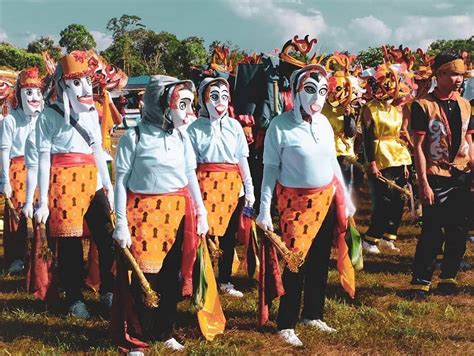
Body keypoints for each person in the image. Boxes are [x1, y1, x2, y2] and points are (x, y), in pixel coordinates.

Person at [256, 64, 355, 347]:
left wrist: (346, 198)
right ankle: (286, 323)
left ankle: (313, 313)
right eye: (310, 91)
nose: (317, 98)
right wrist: (265, 209)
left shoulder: (324, 123)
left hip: (325, 200)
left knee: (320, 261)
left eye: (323, 91)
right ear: (296, 93)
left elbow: (333, 162)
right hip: (295, 204)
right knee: (295, 263)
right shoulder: (280, 125)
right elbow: (270, 170)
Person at [113, 75, 209, 351]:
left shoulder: (182, 136)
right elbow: (120, 181)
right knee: (143, 278)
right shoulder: (135, 137)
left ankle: (165, 330)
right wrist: (121, 224)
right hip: (142, 216)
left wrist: (200, 211)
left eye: (191, 105)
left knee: (171, 276)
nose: (190, 112)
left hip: (177, 214)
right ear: (161, 104)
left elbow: (190, 174)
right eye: (183, 104)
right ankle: (136, 337)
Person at [34, 51, 115, 318]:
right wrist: (43, 200)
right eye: (76, 82)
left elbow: (97, 150)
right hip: (63, 184)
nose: (84, 89)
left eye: (86, 81)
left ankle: (108, 290)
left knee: (107, 236)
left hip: (92, 181)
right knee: (70, 244)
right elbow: (44, 158)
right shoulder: (48, 116)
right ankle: (74, 297)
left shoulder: (92, 113)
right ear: (63, 86)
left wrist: (108, 186)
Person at [409, 50, 473, 299]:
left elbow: (469, 139)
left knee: (458, 230)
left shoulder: (466, 105)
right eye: (454, 74)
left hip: (461, 174)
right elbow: (418, 147)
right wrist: (423, 181)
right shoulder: (423, 106)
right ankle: (420, 281)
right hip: (436, 174)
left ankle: (449, 277)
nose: (458, 79)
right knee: (432, 230)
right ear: (440, 74)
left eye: (461, 75)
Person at [187, 77, 255, 297]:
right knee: (203, 235)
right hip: (204, 186)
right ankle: (200, 277)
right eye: (214, 96)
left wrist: (249, 187)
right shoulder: (193, 129)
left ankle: (225, 279)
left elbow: (242, 159)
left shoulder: (235, 126)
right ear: (203, 99)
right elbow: (189, 164)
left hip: (232, 189)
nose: (220, 102)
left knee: (228, 236)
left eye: (224, 96)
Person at [361, 63, 413, 254]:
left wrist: (406, 163)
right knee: (384, 201)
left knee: (400, 200)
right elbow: (368, 137)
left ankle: (388, 238)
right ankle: (370, 239)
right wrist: (372, 163)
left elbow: (399, 134)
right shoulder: (369, 108)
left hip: (398, 157)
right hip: (380, 156)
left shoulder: (395, 109)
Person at [0, 67, 43, 273]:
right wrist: (5, 180)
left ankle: (39, 256)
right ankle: (16, 258)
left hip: (39, 169)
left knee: (39, 213)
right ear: (19, 94)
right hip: (17, 169)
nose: (34, 97)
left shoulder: (43, 118)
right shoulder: (10, 120)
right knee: (16, 217)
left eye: (37, 92)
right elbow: (4, 150)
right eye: (28, 92)